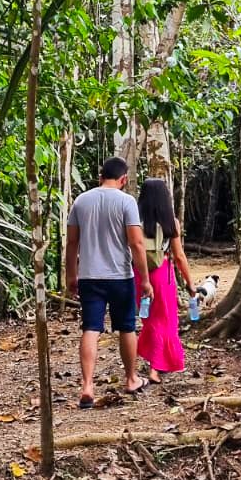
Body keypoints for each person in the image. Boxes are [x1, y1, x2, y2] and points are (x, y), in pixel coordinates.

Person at [66, 156, 153, 409]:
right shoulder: (126, 201)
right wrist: (145, 279)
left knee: (91, 328)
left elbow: (72, 243)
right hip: (120, 276)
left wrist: (71, 275)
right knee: (126, 327)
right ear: (124, 179)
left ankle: (87, 386)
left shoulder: (81, 201)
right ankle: (131, 378)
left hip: (89, 276)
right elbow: (136, 243)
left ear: (100, 176)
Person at [134, 177, 196, 385]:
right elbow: (179, 256)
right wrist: (190, 282)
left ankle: (149, 360)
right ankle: (155, 368)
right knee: (165, 320)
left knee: (149, 320)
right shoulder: (171, 223)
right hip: (163, 275)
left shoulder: (135, 222)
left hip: (139, 275)